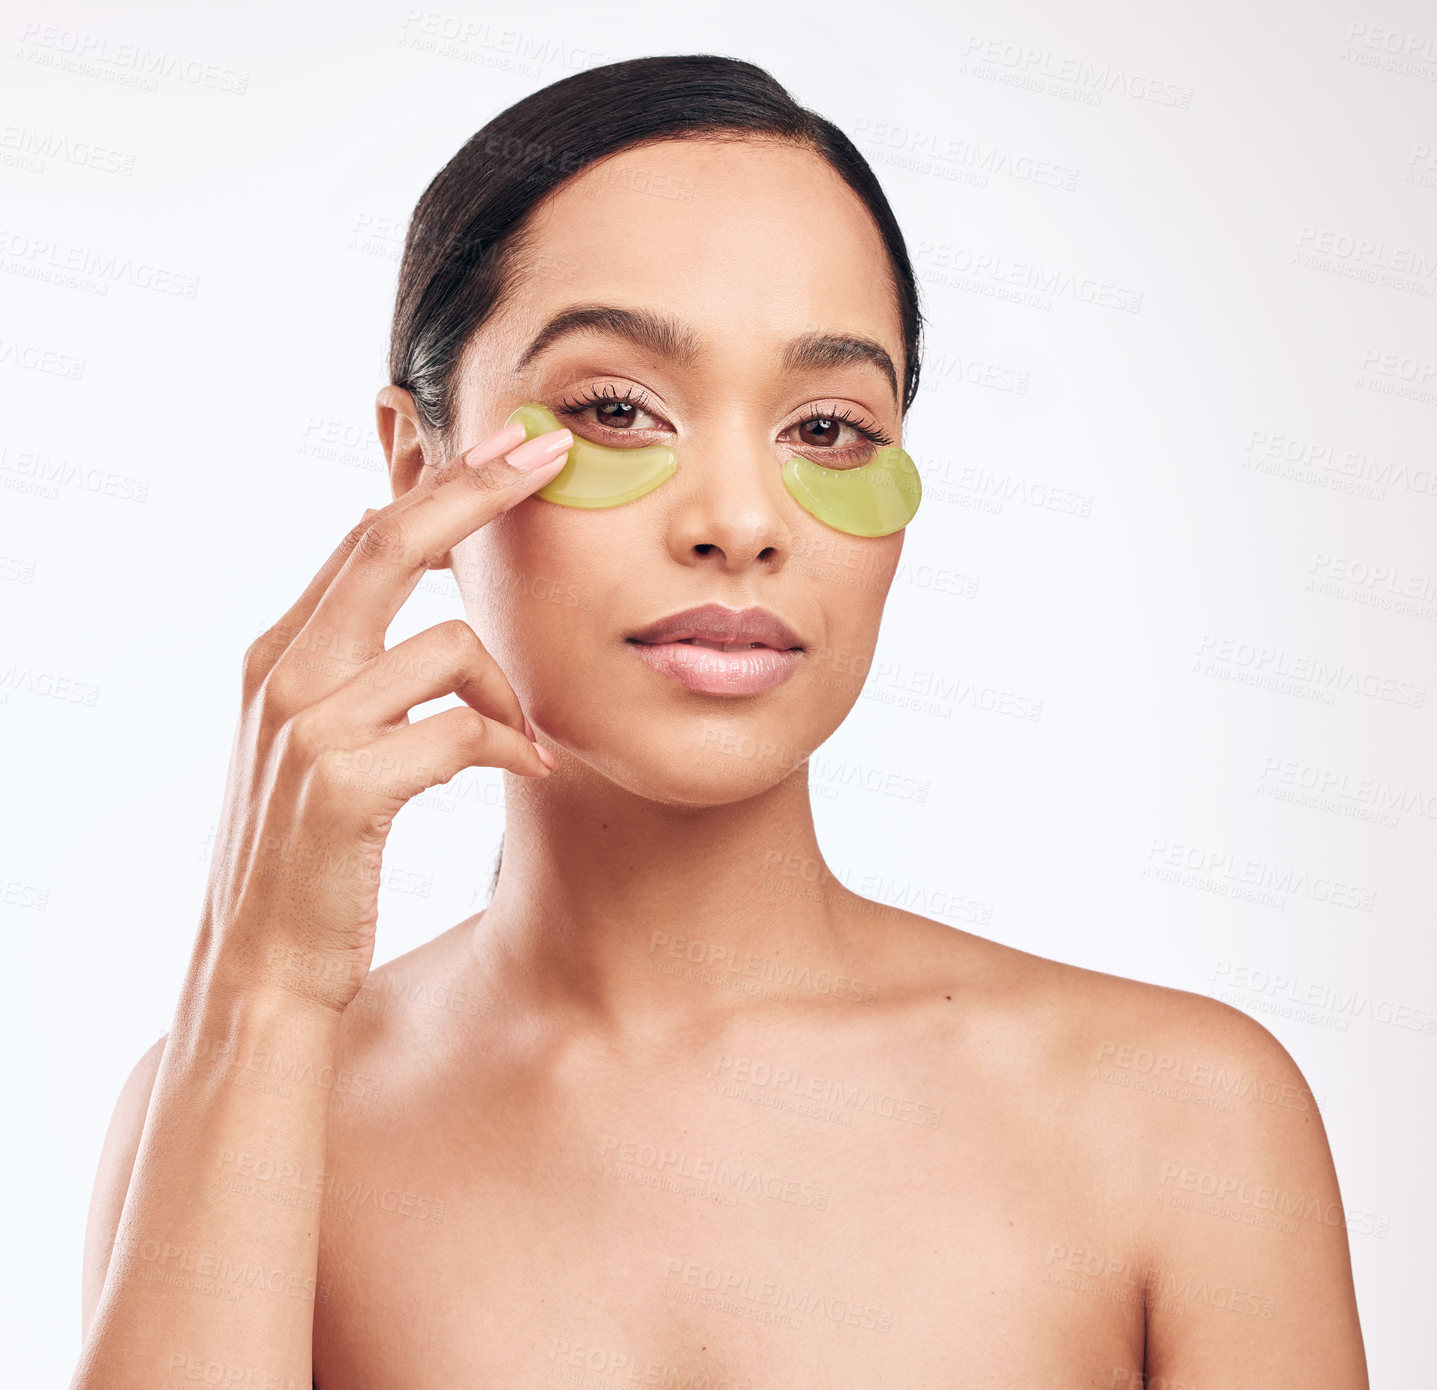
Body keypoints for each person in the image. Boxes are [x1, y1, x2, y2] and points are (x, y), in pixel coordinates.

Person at [72, 54, 1369, 1390]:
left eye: (826, 424)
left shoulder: (1181, 1118)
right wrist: (263, 988)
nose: (739, 522)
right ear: (421, 467)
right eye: (614, 409)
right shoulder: (236, 1109)